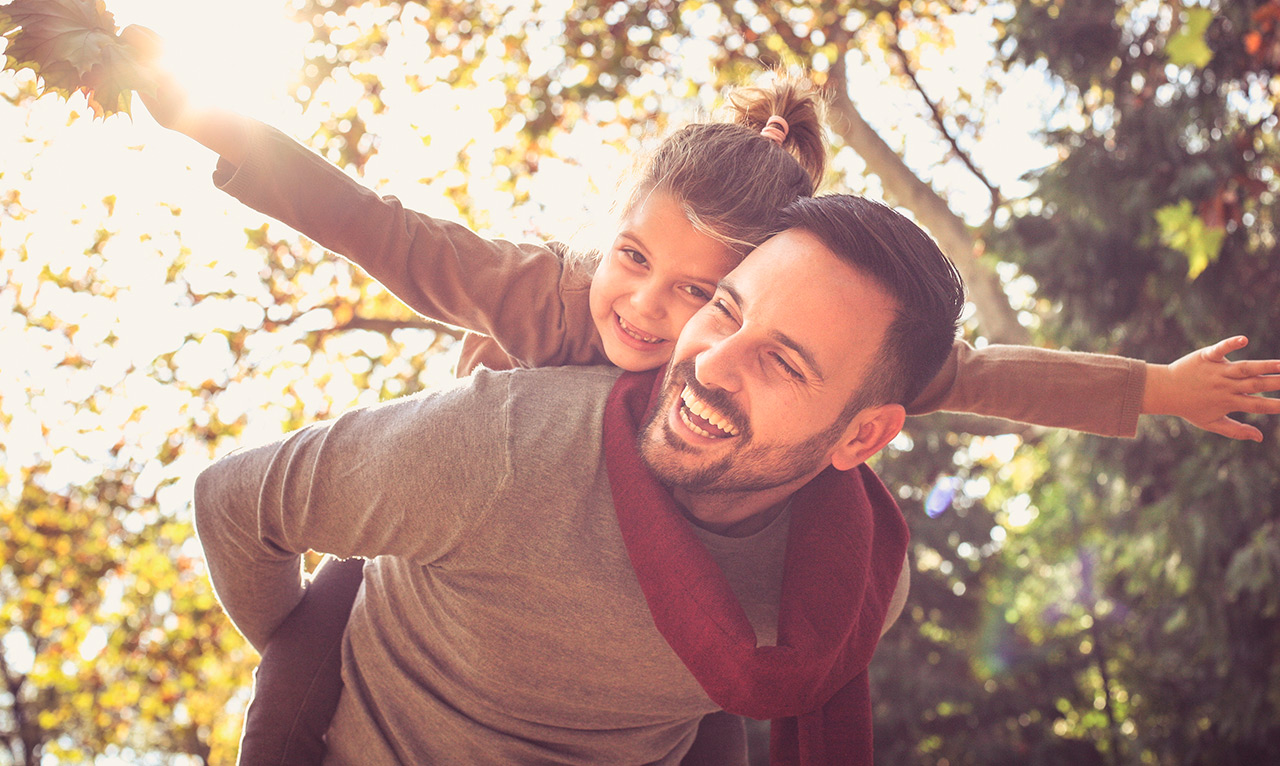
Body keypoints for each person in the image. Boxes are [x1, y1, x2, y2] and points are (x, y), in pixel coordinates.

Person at [123, 27, 1280, 762]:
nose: (644, 312)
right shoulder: (546, 297)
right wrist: (203, 116)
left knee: (720, 722)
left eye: (703, 294)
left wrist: (1153, 390)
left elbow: (982, 377)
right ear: (607, 233)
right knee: (285, 699)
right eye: (632, 258)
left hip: (666, 620)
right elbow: (373, 226)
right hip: (429, 559)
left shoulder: (806, 362)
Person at [193, 192, 967, 765]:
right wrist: (302, 655)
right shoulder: (507, 441)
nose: (710, 363)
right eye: (725, 311)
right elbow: (234, 503)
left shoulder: (856, 588)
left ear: (863, 435)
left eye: (783, 362)